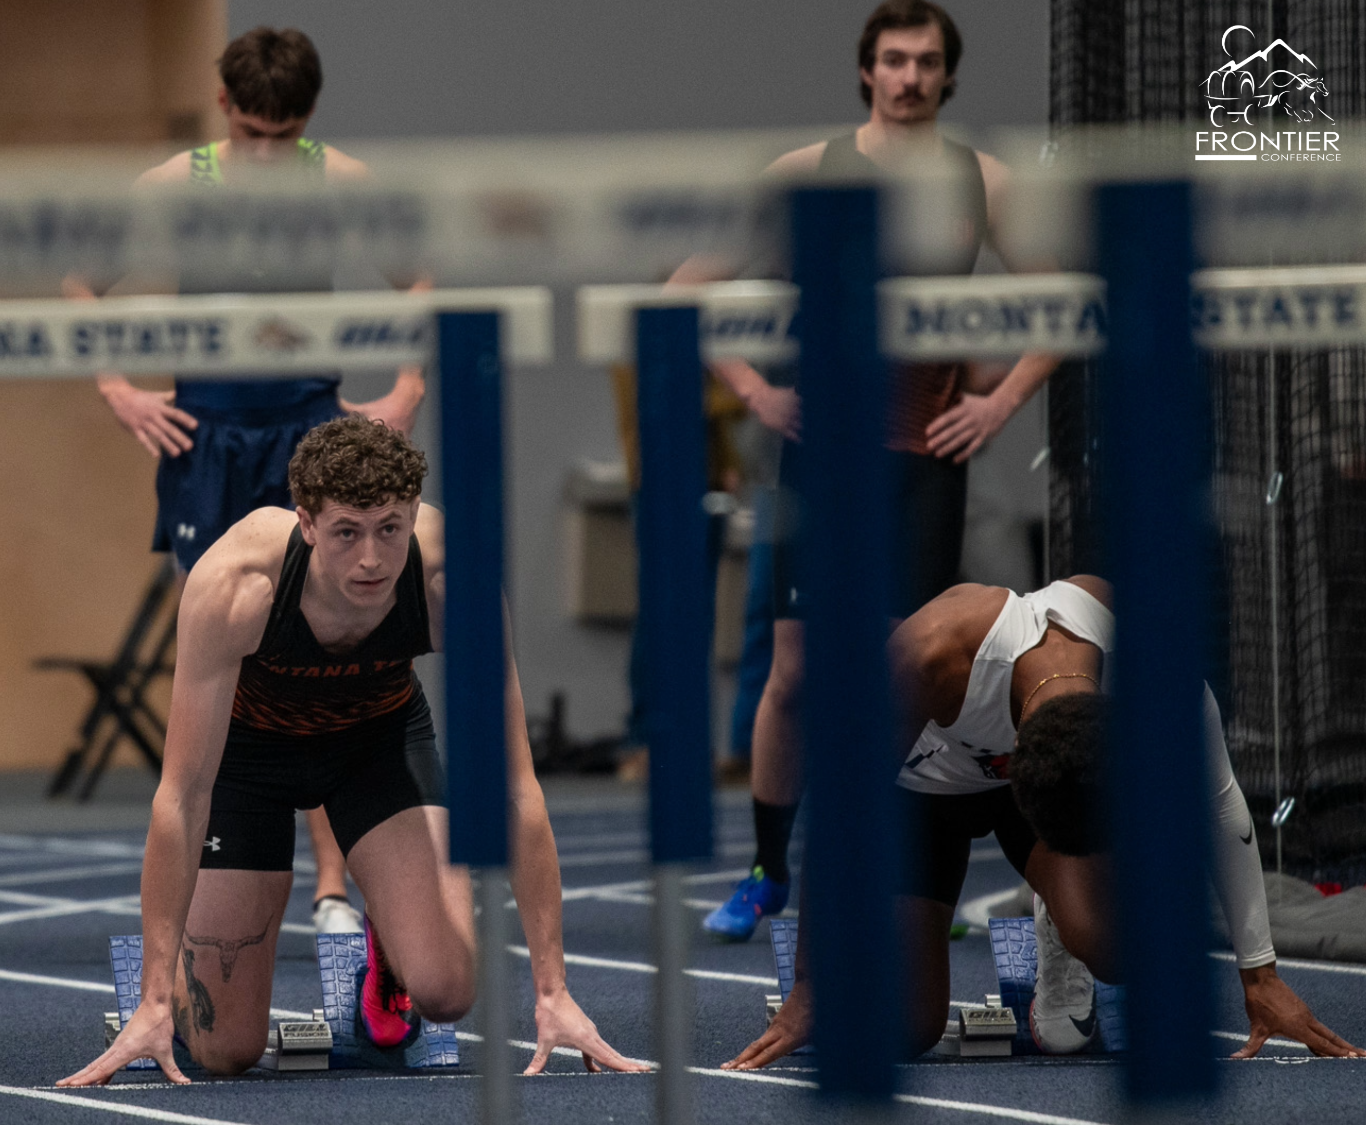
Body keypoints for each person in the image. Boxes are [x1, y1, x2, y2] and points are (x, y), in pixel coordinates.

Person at [59, 417, 643, 1084]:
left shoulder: (454, 585)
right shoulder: (238, 586)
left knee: (448, 991)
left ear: (413, 515)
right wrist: (156, 998)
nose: (371, 558)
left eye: (390, 529)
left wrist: (552, 989)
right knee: (227, 1051)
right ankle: (166, 980)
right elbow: (183, 793)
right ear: (306, 523)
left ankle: (385, 954)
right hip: (250, 758)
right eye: (347, 533)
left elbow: (512, 786)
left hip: (376, 741)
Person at [687, 0, 1061, 941]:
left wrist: (1000, 402)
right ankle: (769, 872)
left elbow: (1069, 296)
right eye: (893, 60)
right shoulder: (809, 172)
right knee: (799, 669)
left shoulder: (982, 180)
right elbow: (686, 288)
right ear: (867, 71)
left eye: (926, 61)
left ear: (945, 74)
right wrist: (756, 395)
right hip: (820, 459)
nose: (908, 77)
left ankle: (901, 877)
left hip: (925, 464)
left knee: (910, 676)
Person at [726, 576, 1364, 1068]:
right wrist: (808, 985)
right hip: (917, 794)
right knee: (906, 1031)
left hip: (1033, 784)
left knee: (1119, 947)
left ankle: (1062, 925)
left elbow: (1221, 802)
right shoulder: (922, 661)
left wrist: (1262, 974)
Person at [86, 27, 427, 937]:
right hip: (210, 432)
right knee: (222, 654)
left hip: (309, 426)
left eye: (287, 137)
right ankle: (226, 869)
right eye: (255, 134)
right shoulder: (174, 184)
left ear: (307, 119)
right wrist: (118, 390)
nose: (271, 152)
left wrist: (406, 389)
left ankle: (328, 885)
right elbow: (78, 283)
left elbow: (423, 276)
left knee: (331, 654)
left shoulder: (344, 180)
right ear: (227, 108)